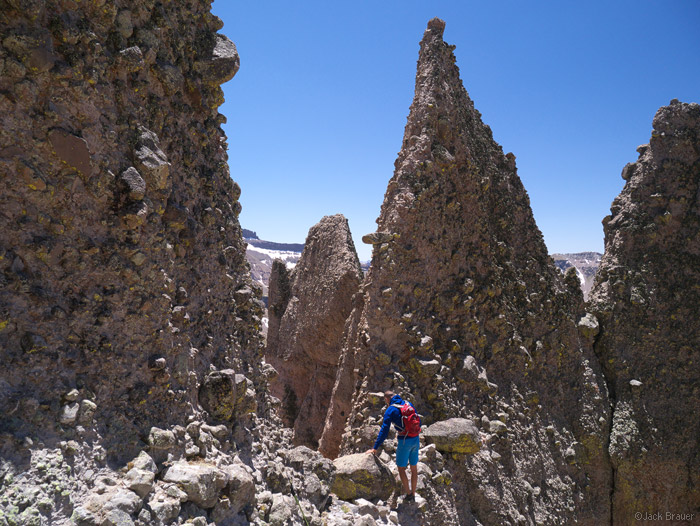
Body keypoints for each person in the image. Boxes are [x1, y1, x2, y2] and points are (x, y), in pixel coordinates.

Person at [366, 390, 421, 501]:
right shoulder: (408, 404)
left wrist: (375, 447)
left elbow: (384, 430)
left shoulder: (390, 410)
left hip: (404, 440)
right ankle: (413, 493)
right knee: (414, 468)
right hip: (416, 438)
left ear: (387, 399)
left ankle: (409, 494)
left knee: (401, 468)